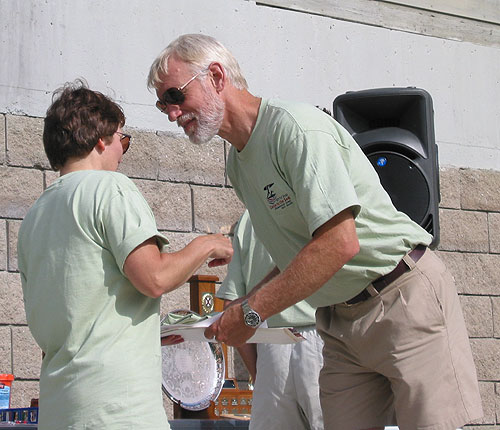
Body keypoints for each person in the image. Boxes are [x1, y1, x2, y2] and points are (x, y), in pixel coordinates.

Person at [147, 34, 483, 430]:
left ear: (216, 76)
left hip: (403, 298)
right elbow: (299, 255)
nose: (171, 113)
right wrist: (235, 313)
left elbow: (339, 243)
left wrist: (251, 313)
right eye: (162, 104)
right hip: (340, 320)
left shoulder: (295, 129)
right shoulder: (238, 165)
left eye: (175, 95)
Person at [17, 80, 233, 430]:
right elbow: (154, 278)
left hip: (60, 408)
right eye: (123, 140)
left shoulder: (34, 217)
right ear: (101, 140)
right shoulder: (110, 188)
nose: (122, 151)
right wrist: (207, 244)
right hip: (116, 408)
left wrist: (144, 336)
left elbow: (68, 323)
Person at [217, 210, 324, 430]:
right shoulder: (312, 202)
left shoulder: (248, 219)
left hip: (270, 346)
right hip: (323, 334)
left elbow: (232, 308)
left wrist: (260, 374)